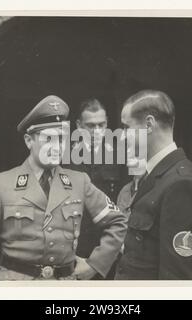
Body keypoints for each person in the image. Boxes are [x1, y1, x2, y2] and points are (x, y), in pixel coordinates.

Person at [0, 95, 127, 280]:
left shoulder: (79, 181)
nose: (56, 147)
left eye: (61, 139)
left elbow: (118, 222)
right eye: (48, 139)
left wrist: (95, 264)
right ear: (29, 141)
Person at [115, 90, 192, 280]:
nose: (123, 136)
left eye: (127, 127)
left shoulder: (181, 184)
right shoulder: (156, 175)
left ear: (149, 124)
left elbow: (179, 279)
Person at [63, 98, 127, 279]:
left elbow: (126, 199)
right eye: (90, 126)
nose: (97, 131)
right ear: (78, 126)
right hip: (73, 245)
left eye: (102, 125)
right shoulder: (64, 157)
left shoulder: (119, 155)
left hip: (106, 246)